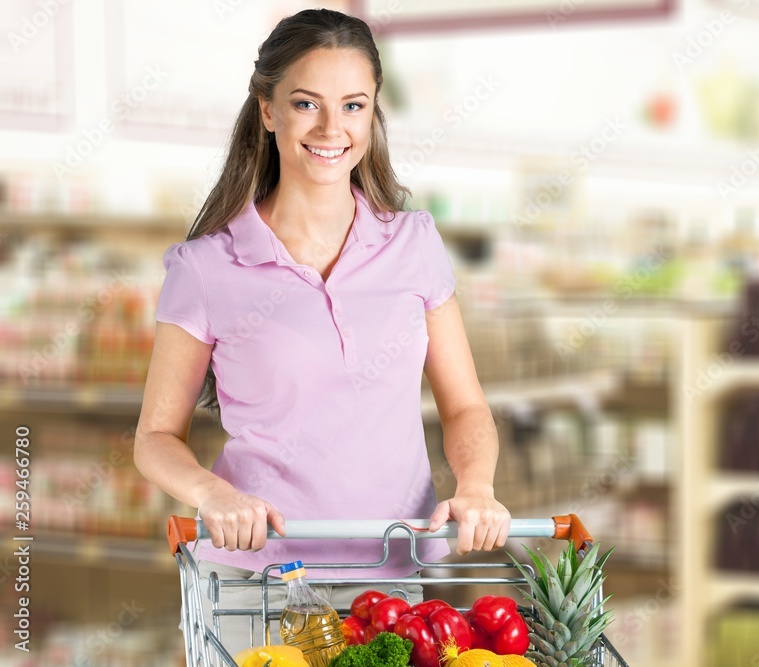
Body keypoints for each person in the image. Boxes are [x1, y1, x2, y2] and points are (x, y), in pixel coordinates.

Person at [133, 7, 511, 651]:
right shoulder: (205, 268)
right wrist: (212, 492)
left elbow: (466, 406)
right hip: (258, 584)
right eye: (306, 103)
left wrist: (477, 488)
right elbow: (154, 437)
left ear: (374, 112)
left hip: (393, 582)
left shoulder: (414, 244)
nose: (332, 128)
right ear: (268, 110)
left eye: (354, 105)